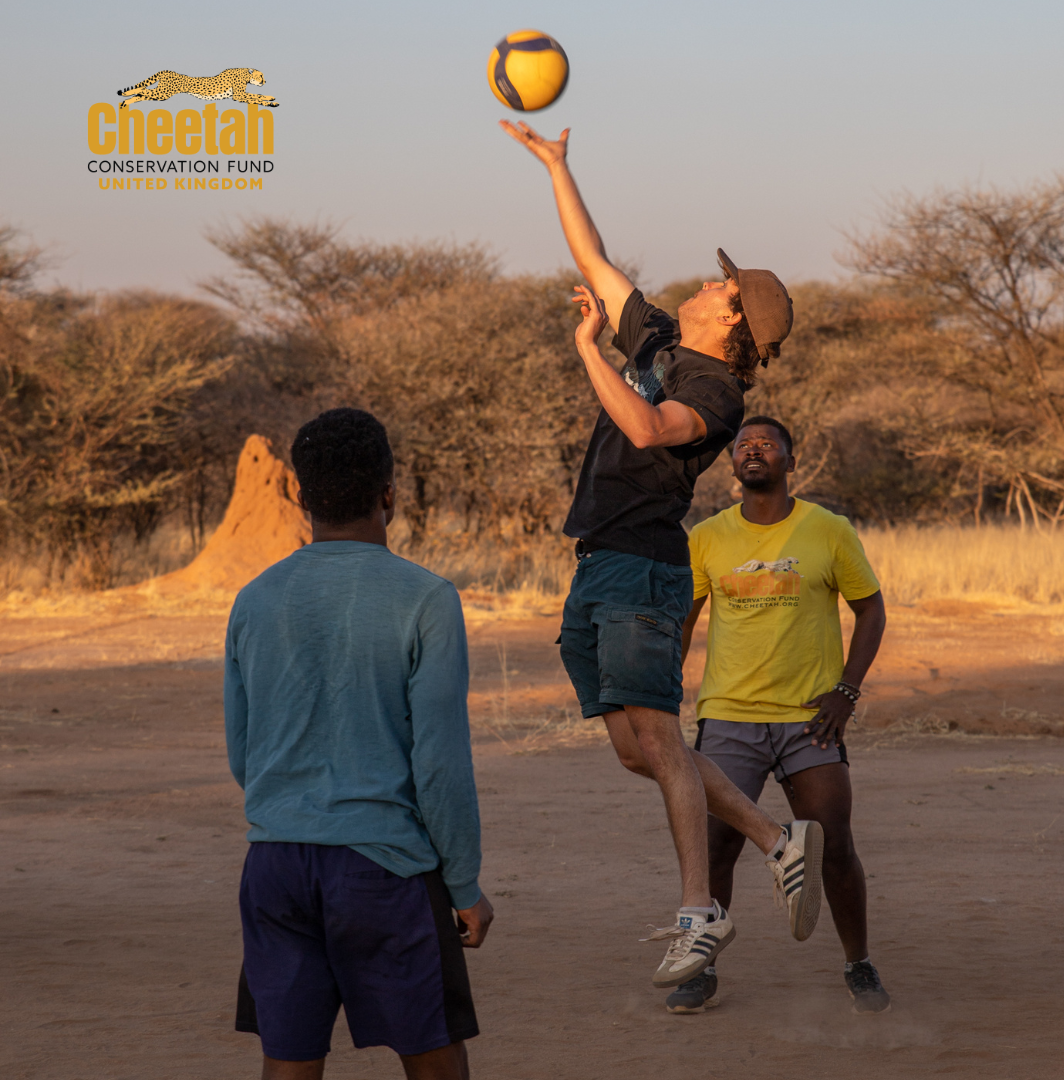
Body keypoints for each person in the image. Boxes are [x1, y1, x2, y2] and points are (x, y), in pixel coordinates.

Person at [501, 119, 823, 992]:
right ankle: (774, 838)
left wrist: (584, 353)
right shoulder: (657, 344)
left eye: (722, 285)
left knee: (662, 741)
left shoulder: (713, 390)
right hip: (598, 560)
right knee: (635, 750)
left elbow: (646, 427)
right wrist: (558, 169)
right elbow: (595, 258)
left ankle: (699, 915)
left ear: (732, 321)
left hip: (644, 566)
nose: (708, 280)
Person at [224, 408, 494, 1080]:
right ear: (389, 495)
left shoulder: (253, 600)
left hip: (275, 865)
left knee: (288, 1061)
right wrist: (463, 885)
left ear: (302, 498)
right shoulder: (427, 598)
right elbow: (438, 764)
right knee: (433, 1054)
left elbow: (242, 751)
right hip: (385, 871)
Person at [671, 415, 890, 1015]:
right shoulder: (707, 536)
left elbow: (871, 611)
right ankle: (700, 967)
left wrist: (847, 691)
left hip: (810, 719)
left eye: (767, 444)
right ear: (732, 463)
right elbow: (683, 622)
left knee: (833, 844)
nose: (753, 450)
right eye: (743, 445)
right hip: (728, 716)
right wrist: (664, 692)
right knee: (716, 845)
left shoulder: (828, 529)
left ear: (791, 462)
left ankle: (859, 963)